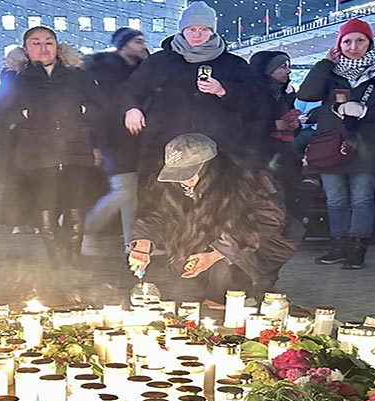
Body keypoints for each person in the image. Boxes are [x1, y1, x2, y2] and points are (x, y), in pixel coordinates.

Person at [126, 134, 299, 303]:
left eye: (188, 174)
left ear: (209, 167)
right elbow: (160, 213)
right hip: (209, 238)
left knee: (226, 289)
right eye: (178, 174)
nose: (183, 181)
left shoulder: (249, 180)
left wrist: (215, 254)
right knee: (206, 287)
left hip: (257, 244)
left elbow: (266, 222)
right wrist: (143, 243)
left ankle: (249, 295)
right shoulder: (173, 184)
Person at [296, 19, 375, 269]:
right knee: (334, 199)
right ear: (338, 45)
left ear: (370, 43)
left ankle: (357, 247)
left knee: (362, 197)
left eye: (360, 41)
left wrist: (365, 111)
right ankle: (338, 244)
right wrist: (325, 63)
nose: (353, 47)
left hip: (368, 146)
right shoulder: (331, 73)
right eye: (347, 41)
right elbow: (306, 94)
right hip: (330, 145)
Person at [120, 2, 265, 180]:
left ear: (212, 31)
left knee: (215, 193)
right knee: (163, 194)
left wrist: (224, 90)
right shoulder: (159, 61)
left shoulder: (232, 64)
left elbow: (256, 98)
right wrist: (131, 108)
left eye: (204, 29)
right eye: (192, 29)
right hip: (164, 146)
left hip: (219, 148)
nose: (197, 34)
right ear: (183, 31)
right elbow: (131, 89)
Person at [0, 27, 103, 259]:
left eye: (49, 42)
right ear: (25, 49)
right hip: (36, 152)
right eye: (36, 43)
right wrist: (25, 115)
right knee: (45, 205)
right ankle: (56, 260)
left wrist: (81, 111)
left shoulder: (77, 75)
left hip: (75, 148)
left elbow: (101, 107)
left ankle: (73, 257)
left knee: (74, 205)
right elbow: (1, 113)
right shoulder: (17, 79)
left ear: (57, 46)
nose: (43, 48)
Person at [85, 28, 150, 254]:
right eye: (137, 41)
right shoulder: (105, 72)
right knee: (124, 190)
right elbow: (101, 111)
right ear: (124, 44)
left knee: (131, 191)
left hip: (136, 138)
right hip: (113, 138)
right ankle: (83, 229)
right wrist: (96, 143)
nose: (143, 45)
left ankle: (131, 242)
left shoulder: (139, 69)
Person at [249, 51, 303, 216]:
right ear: (268, 70)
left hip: (283, 155)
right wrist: (272, 125)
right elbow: (243, 123)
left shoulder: (283, 94)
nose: (288, 71)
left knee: (287, 196)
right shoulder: (251, 94)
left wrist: (295, 126)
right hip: (259, 156)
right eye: (282, 67)